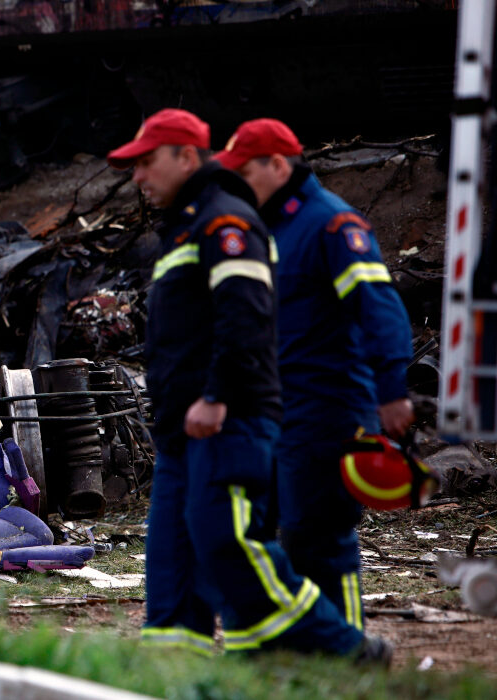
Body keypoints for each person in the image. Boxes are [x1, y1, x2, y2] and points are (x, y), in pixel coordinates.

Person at [106, 108, 381, 660]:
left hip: (226, 421)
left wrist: (216, 396)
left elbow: (246, 318)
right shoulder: (184, 227)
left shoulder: (225, 222)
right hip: (182, 430)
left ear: (187, 157)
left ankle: (346, 648)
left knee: (228, 544)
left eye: (147, 161)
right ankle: (173, 662)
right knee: (173, 558)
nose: (137, 177)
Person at [215, 118, 414, 631]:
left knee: (318, 536)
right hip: (273, 410)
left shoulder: (332, 225)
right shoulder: (262, 227)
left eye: (244, 172)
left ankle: (345, 650)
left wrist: (392, 390)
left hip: (328, 410)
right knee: (259, 533)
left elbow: (379, 306)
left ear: (278, 166)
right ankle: (291, 641)